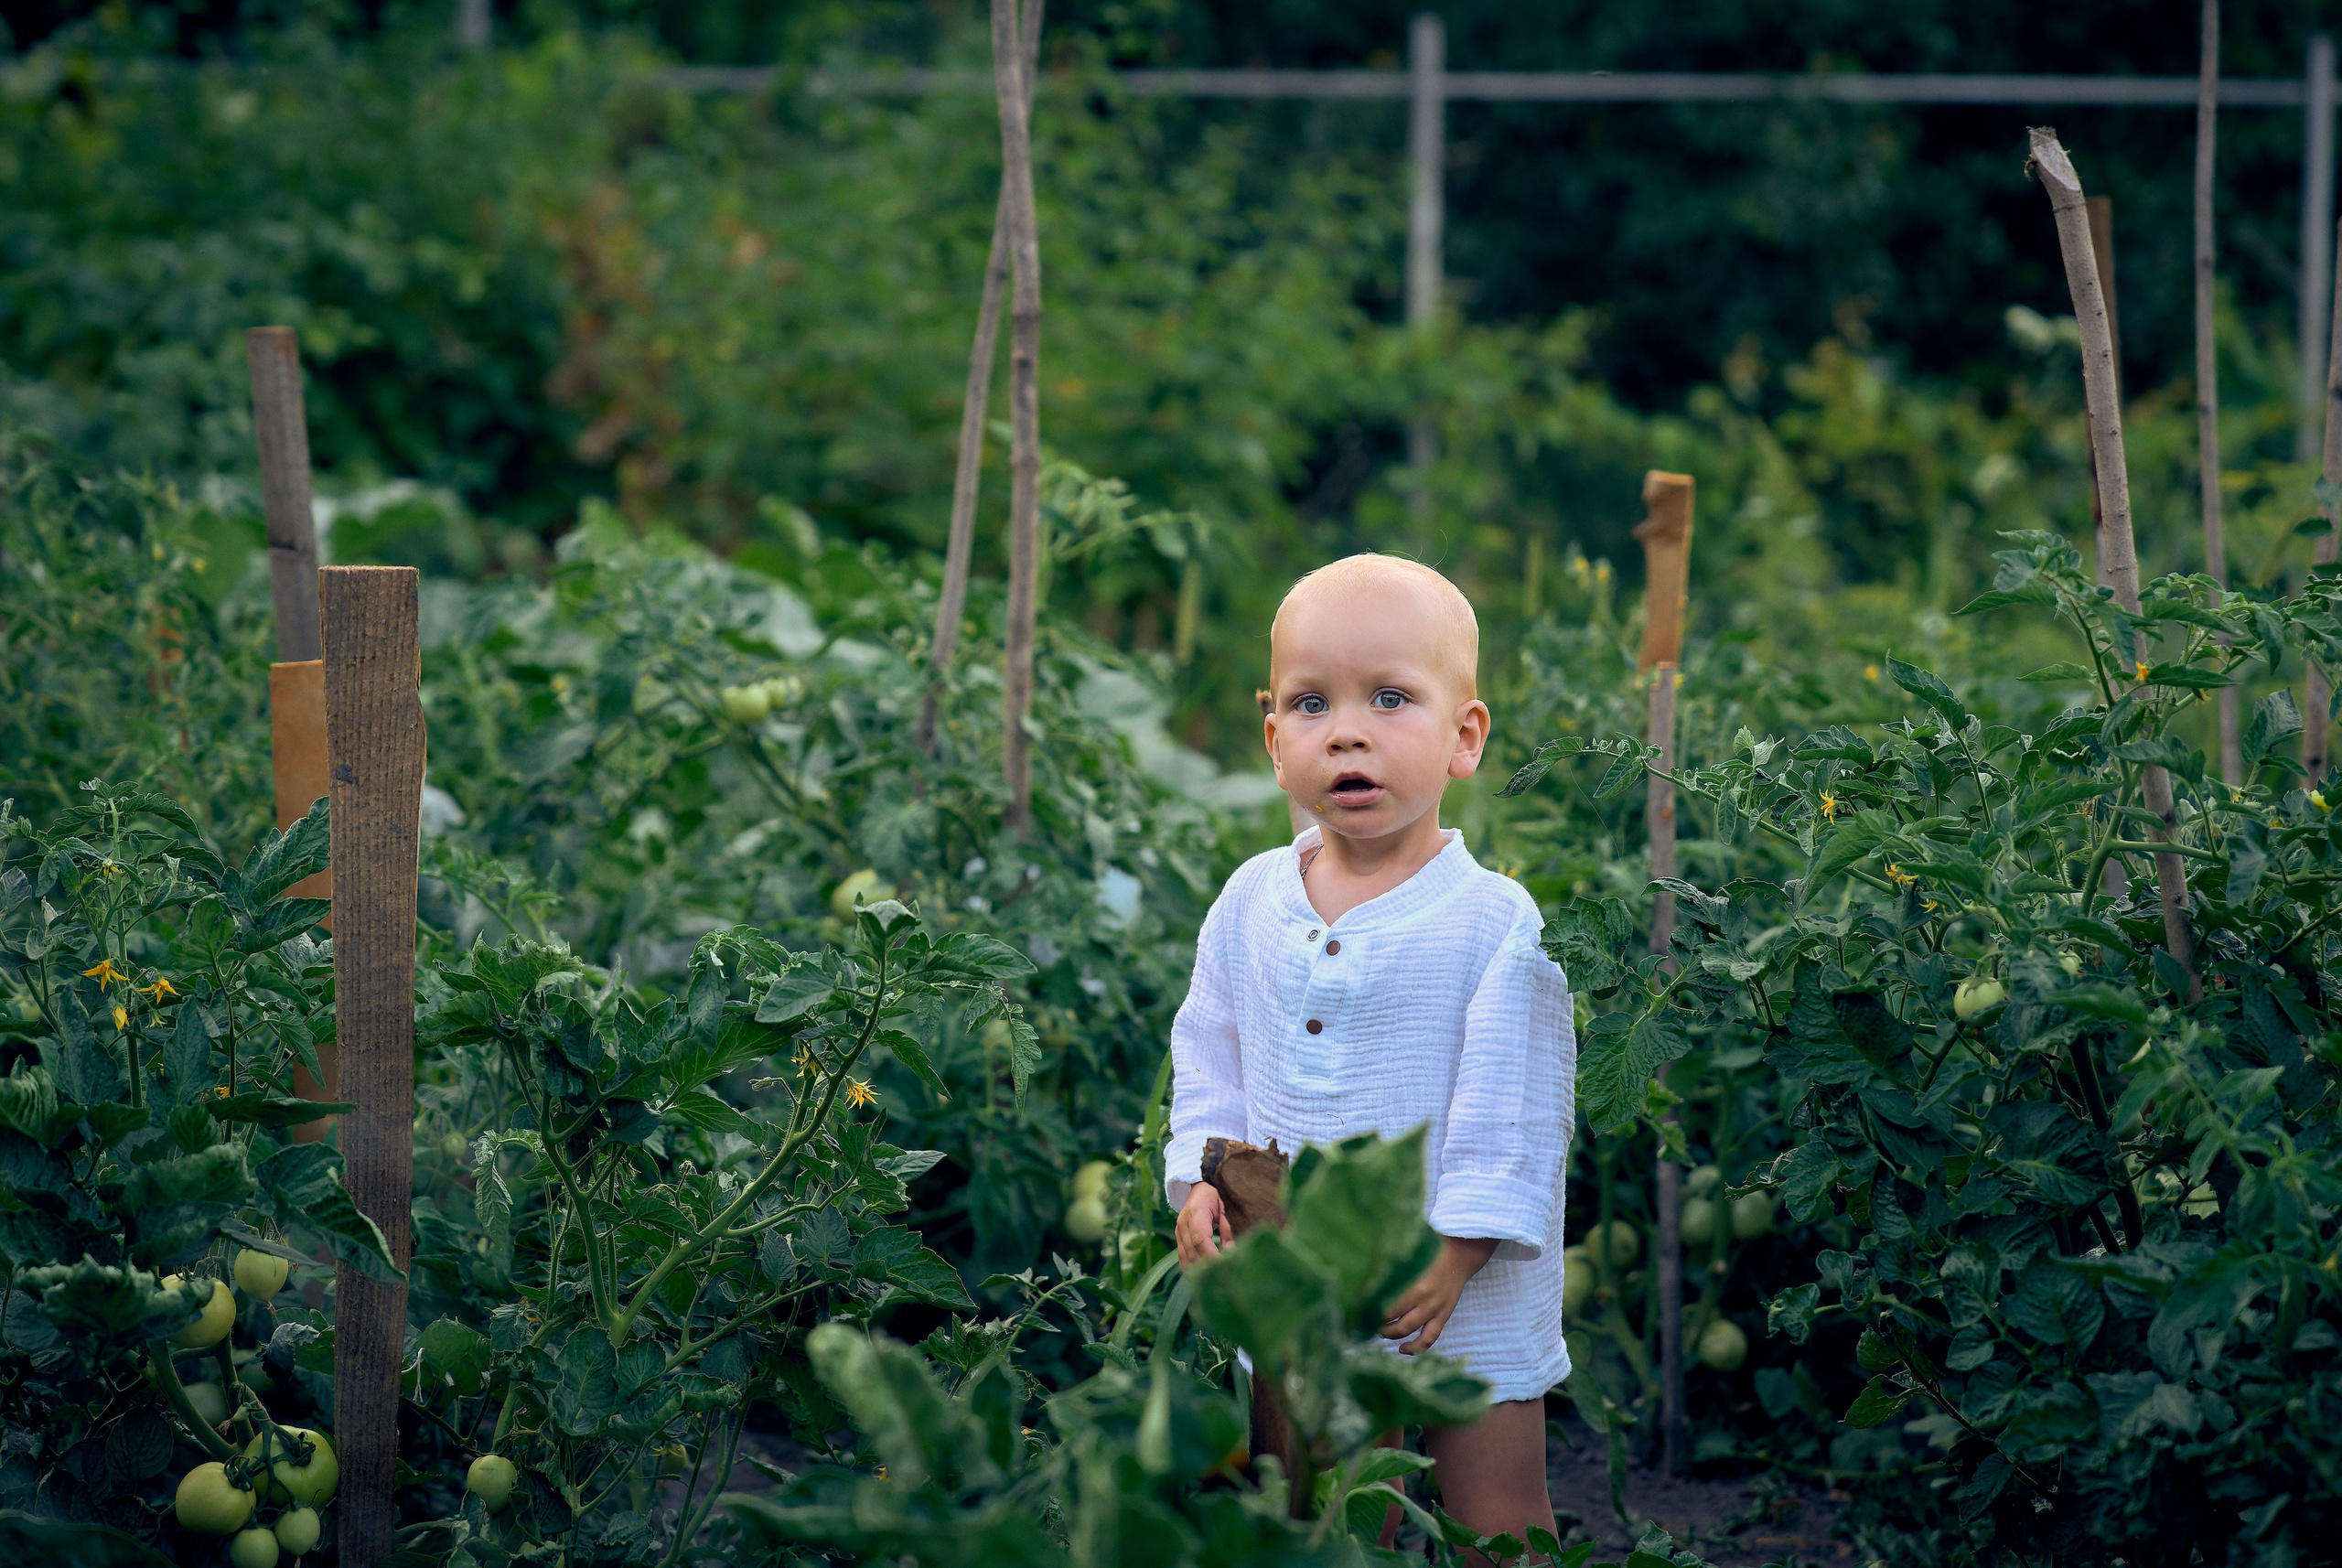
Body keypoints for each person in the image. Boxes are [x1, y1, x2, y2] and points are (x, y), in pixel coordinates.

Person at [1166, 553, 1576, 1557]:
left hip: (1454, 1281)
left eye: (1390, 698)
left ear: (1462, 737)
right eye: (1311, 704)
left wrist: (1458, 1250)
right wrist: (1198, 1178)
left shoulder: (1491, 921)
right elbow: (1208, 1050)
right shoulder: (1250, 899)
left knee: (1496, 1508)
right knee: (1330, 1507)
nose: (1346, 729)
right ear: (1272, 740)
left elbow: (1514, 1107)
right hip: (1298, 1260)